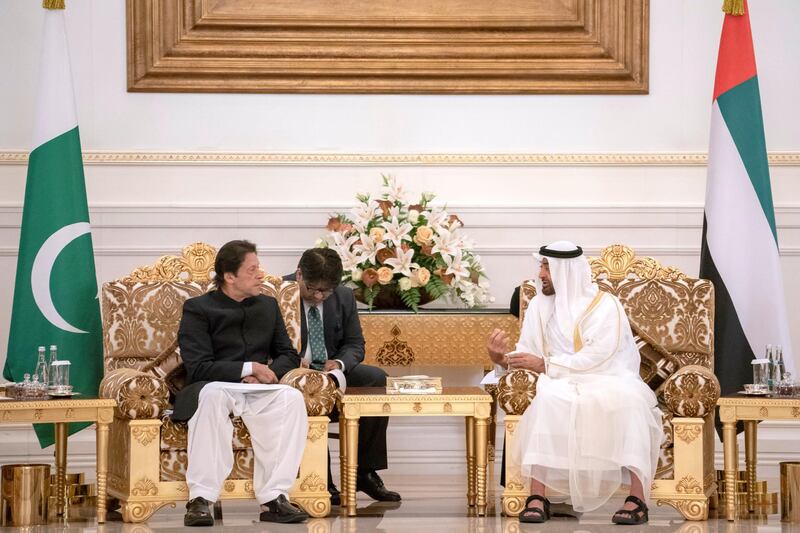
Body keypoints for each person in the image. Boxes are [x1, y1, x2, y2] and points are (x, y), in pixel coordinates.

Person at [486, 241, 662, 525]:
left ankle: (637, 498)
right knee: (547, 399)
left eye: (547, 267)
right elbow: (527, 352)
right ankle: (537, 496)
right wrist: (500, 359)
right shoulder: (538, 306)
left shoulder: (605, 305)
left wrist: (545, 365)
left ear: (566, 271)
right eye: (541, 266)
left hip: (608, 377)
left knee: (630, 402)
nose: (541, 274)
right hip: (559, 380)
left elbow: (600, 355)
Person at [175, 240, 309, 526]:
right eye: (252, 269)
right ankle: (200, 499)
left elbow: (287, 354)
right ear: (229, 276)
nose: (261, 274)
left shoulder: (268, 305)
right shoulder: (198, 308)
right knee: (211, 396)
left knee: (291, 398)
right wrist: (248, 368)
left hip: (257, 388)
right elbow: (198, 368)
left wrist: (266, 375)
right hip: (214, 386)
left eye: (259, 267)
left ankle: (274, 497)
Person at [284, 247, 401, 506]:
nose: (319, 296)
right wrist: (294, 363)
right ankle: (319, 479)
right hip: (292, 375)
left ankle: (364, 472)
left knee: (376, 379)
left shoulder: (344, 297)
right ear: (299, 274)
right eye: (313, 289)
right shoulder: (278, 293)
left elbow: (355, 344)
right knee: (305, 390)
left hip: (331, 373)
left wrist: (338, 363)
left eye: (326, 291)